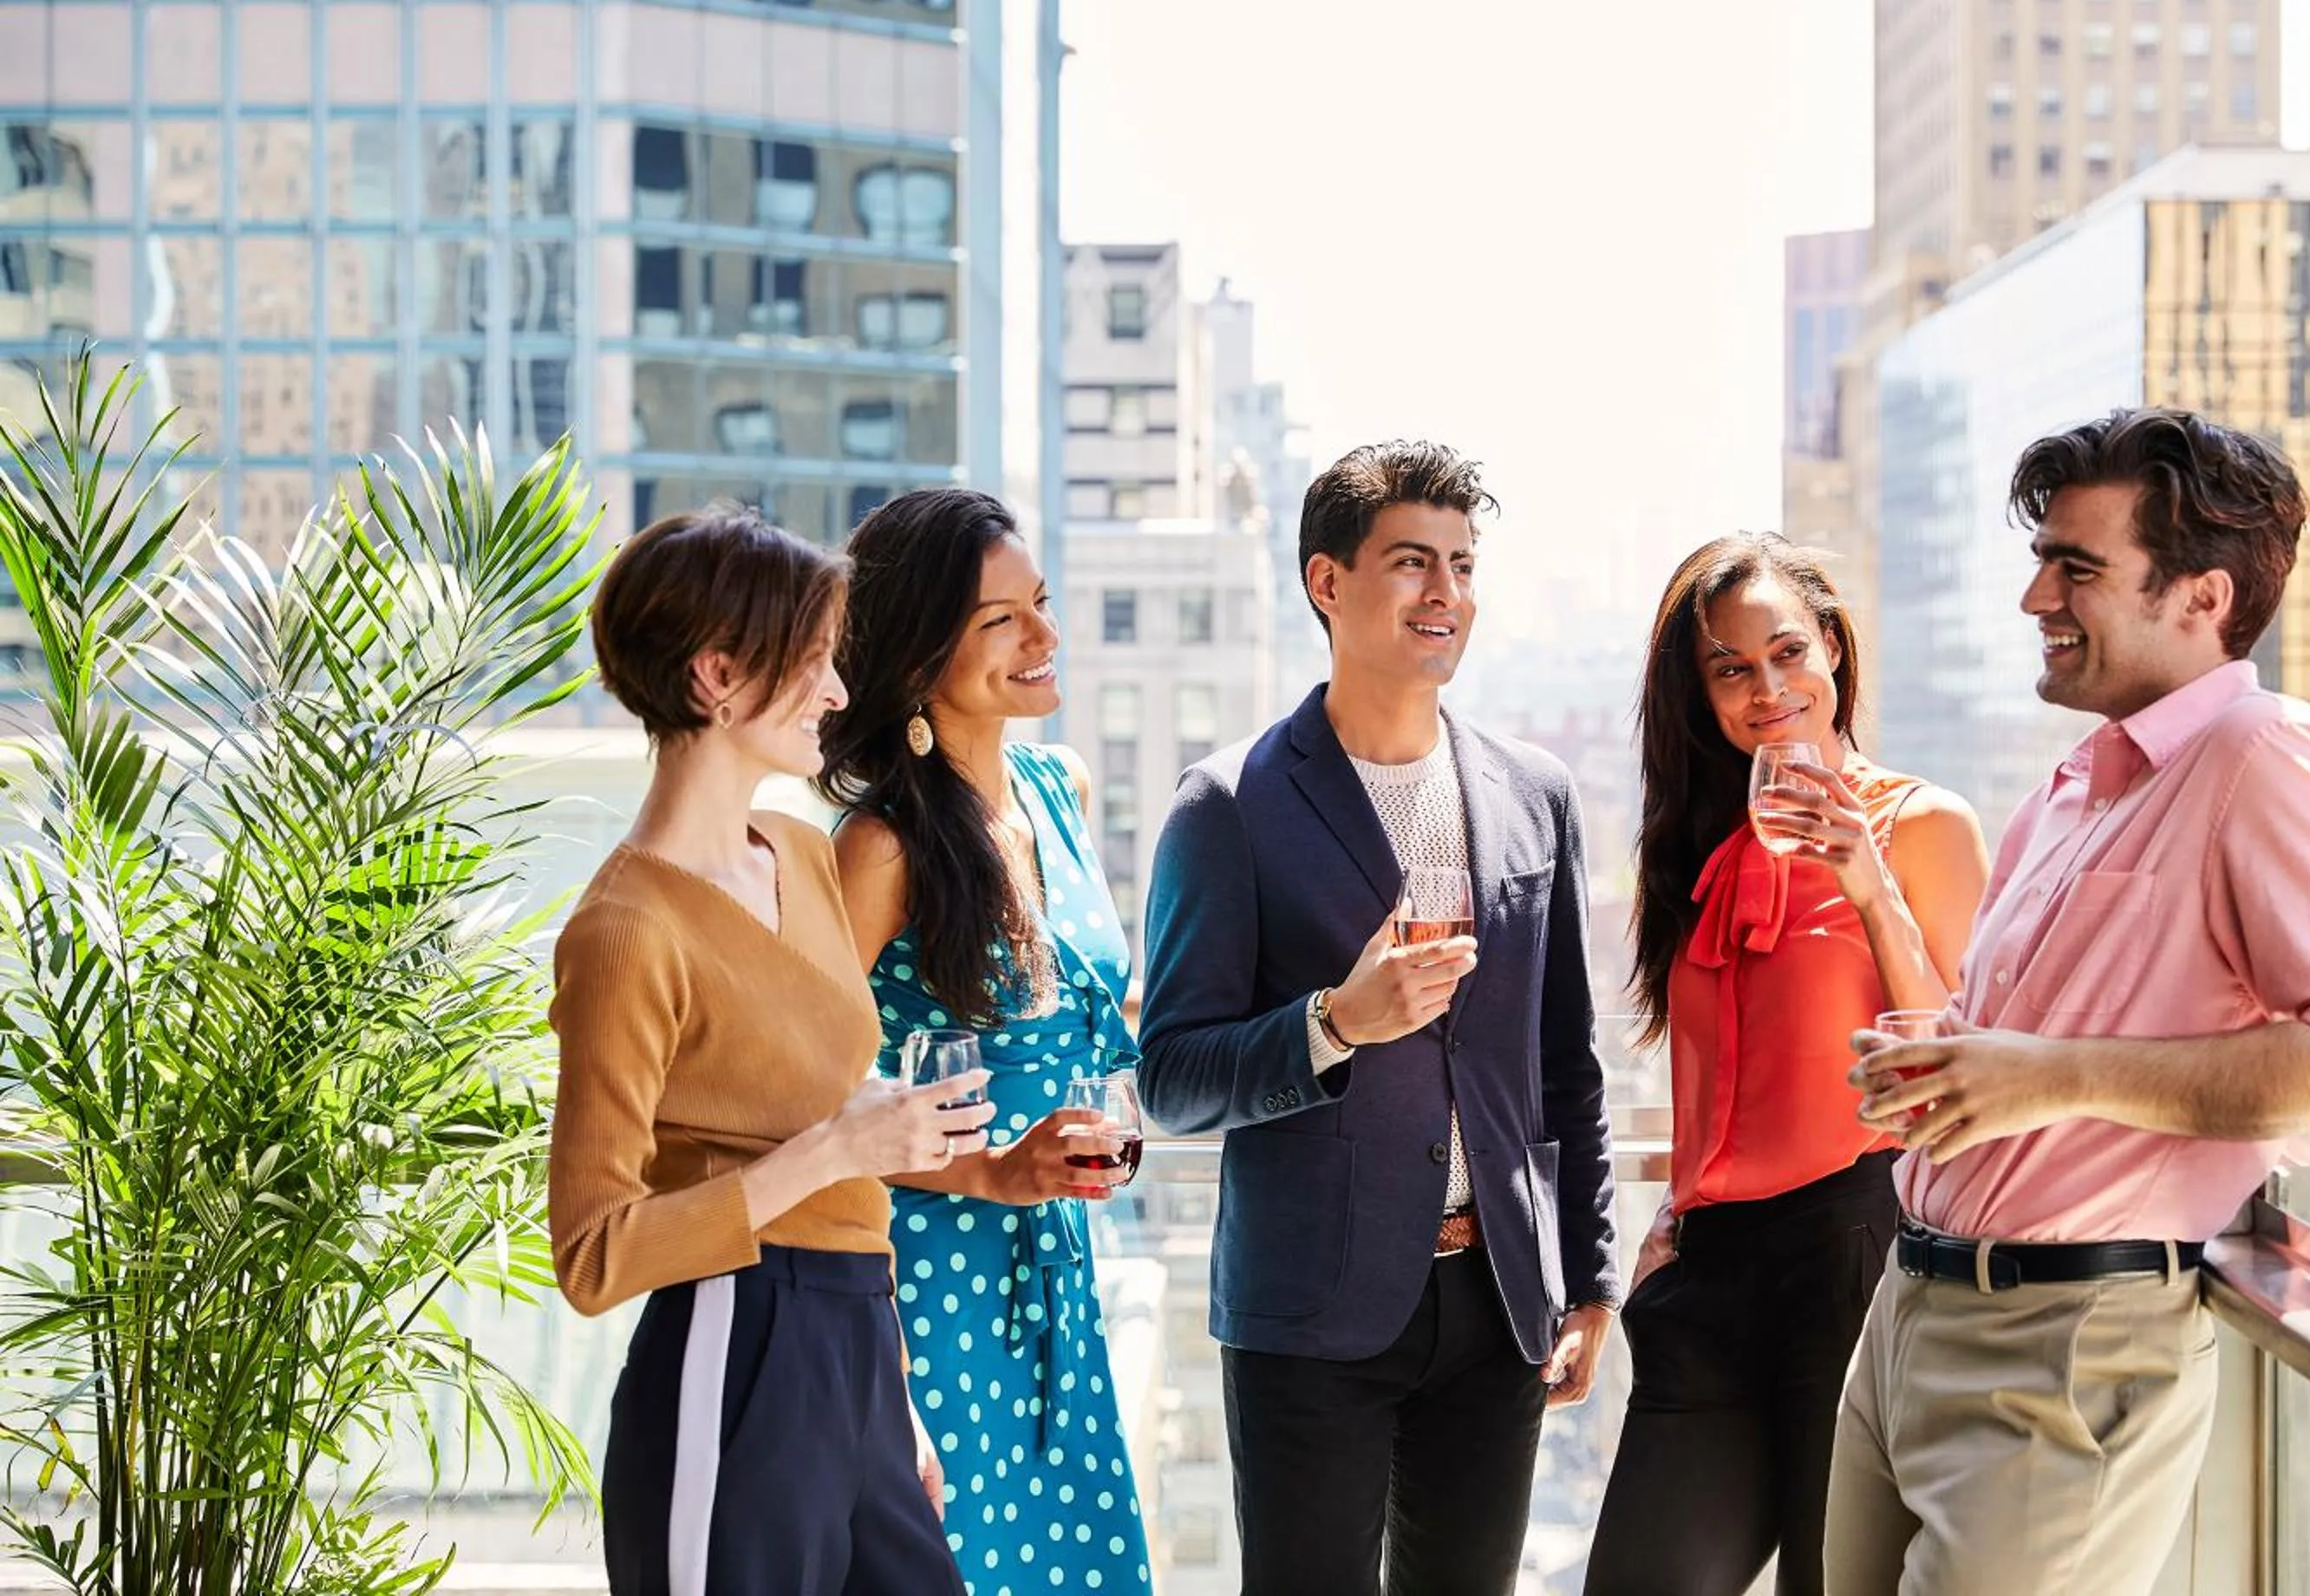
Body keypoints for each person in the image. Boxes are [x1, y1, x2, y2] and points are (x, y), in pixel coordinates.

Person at [1827, 408, 2310, 1595]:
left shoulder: (2265, 755)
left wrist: (2052, 1076)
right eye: (2038, 560)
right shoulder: (2072, 785)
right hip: (1908, 1317)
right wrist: (1956, 1066)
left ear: (2201, 599)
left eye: (2077, 568)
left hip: (2067, 1349)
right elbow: (2000, 1041)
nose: (2036, 600)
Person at [1137, 440, 1621, 1596]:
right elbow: (1171, 1077)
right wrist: (1333, 1023)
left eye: (1461, 563)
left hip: (1499, 1303)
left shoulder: (1534, 794)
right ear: (1327, 583)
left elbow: (1569, 1067)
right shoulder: (1230, 807)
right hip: (1308, 1310)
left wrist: (1590, 1286)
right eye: (1411, 562)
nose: (1443, 592)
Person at [547, 506, 988, 1594]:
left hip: (857, 1339)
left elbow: (841, 1141)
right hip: (732, 1344)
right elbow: (592, 1253)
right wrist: (836, 1150)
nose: (838, 692)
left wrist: (891, 1396)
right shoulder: (626, 930)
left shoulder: (799, 849)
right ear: (716, 677)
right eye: (812, 663)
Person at [1584, 534, 1988, 1596]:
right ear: (1703, 696)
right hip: (1708, 1275)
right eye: (1729, 667)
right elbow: (1712, 1074)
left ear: (1836, 654)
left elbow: (1956, 1064)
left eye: (1787, 651)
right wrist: (1672, 1215)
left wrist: (1867, 879)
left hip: (1853, 1248)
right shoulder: (1708, 856)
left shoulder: (1924, 824)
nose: (1767, 688)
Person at [817, 487, 1152, 1596]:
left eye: (1041, 604)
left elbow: (1090, 1021)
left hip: (1058, 1268)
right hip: (932, 1286)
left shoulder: (1062, 789)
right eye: (1004, 619)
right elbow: (803, 1090)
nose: (1046, 637)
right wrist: (988, 1167)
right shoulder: (878, 848)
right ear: (918, 657)